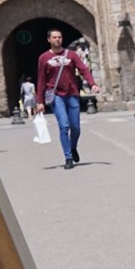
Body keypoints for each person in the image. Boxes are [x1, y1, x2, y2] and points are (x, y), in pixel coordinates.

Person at [36, 29, 94, 169]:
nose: (57, 39)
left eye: (59, 37)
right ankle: (68, 157)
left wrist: (92, 84)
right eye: (54, 37)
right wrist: (40, 101)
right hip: (56, 95)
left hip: (72, 94)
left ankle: (73, 147)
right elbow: (41, 80)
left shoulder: (71, 55)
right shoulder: (44, 58)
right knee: (64, 126)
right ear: (49, 39)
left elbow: (84, 70)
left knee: (76, 128)